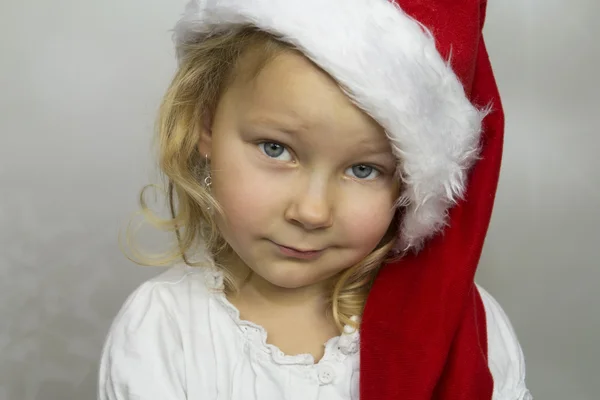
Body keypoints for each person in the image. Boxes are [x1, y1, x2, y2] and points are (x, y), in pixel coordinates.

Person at [98, 0, 532, 399]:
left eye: (364, 169)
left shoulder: (463, 326)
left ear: (410, 186)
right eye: (276, 148)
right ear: (206, 125)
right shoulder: (163, 330)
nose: (311, 212)